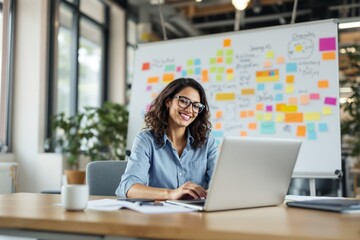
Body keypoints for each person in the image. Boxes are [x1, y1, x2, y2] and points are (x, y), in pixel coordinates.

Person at [116, 78, 218, 200]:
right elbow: (128, 187)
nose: (190, 110)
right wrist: (171, 194)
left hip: (196, 215)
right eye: (184, 101)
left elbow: (220, 185)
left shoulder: (207, 143)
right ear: (168, 101)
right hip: (158, 216)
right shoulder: (145, 141)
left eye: (196, 106)